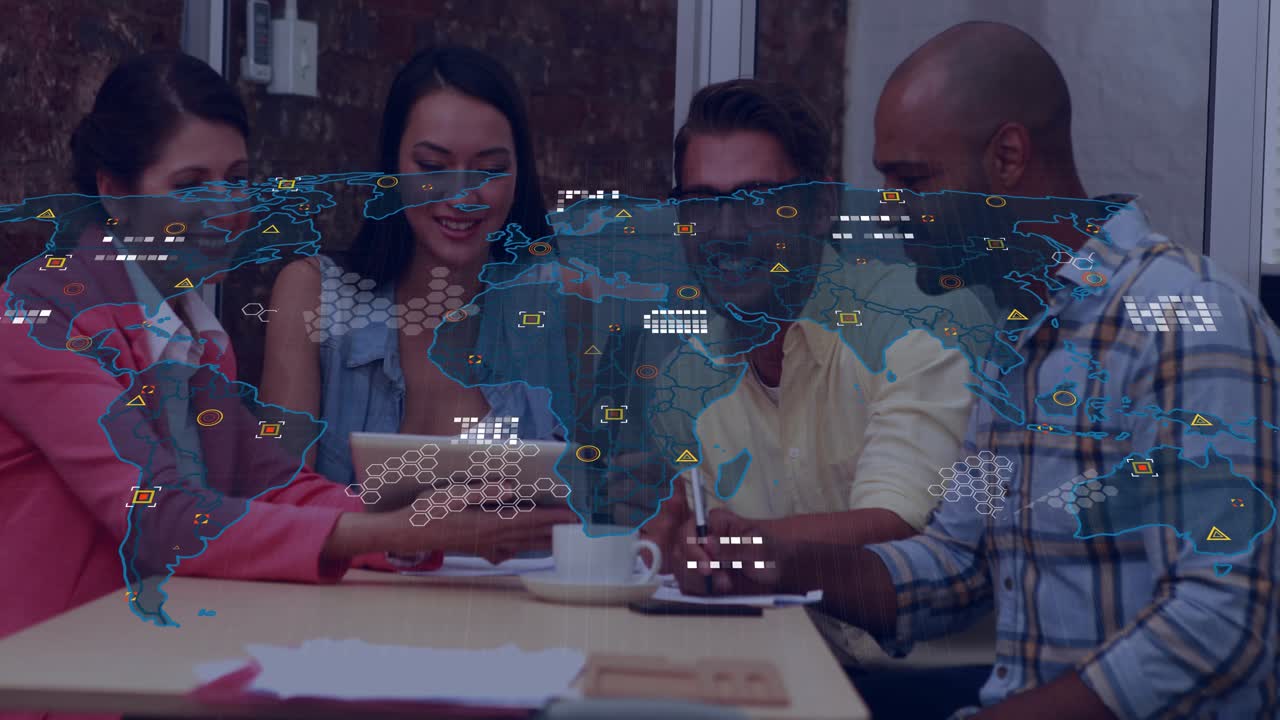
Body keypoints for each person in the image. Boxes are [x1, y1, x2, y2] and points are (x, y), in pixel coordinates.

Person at [676, 22, 1280, 720]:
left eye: (913, 180)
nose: (891, 208)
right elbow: (954, 567)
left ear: (1009, 157)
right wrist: (771, 562)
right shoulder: (1014, 346)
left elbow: (1221, 623)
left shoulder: (1182, 321)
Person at [0, 51, 574, 666]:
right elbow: (161, 518)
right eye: (190, 185)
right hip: (58, 681)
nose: (226, 208)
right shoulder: (36, 316)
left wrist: (435, 522)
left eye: (238, 179)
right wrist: (405, 529)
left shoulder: (191, 333)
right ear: (115, 195)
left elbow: (275, 485)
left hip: (159, 663)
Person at [629, 78, 994, 710]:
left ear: (822, 207)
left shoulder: (918, 317)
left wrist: (732, 543)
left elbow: (895, 525)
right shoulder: (684, 359)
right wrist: (665, 538)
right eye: (701, 202)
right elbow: (692, 535)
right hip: (776, 672)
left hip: (938, 691)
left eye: (757, 200)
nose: (724, 230)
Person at [264, 47, 565, 486]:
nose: (462, 196)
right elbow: (280, 507)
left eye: (491, 169)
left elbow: (611, 513)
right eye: (432, 167)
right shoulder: (314, 298)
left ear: (520, 176)